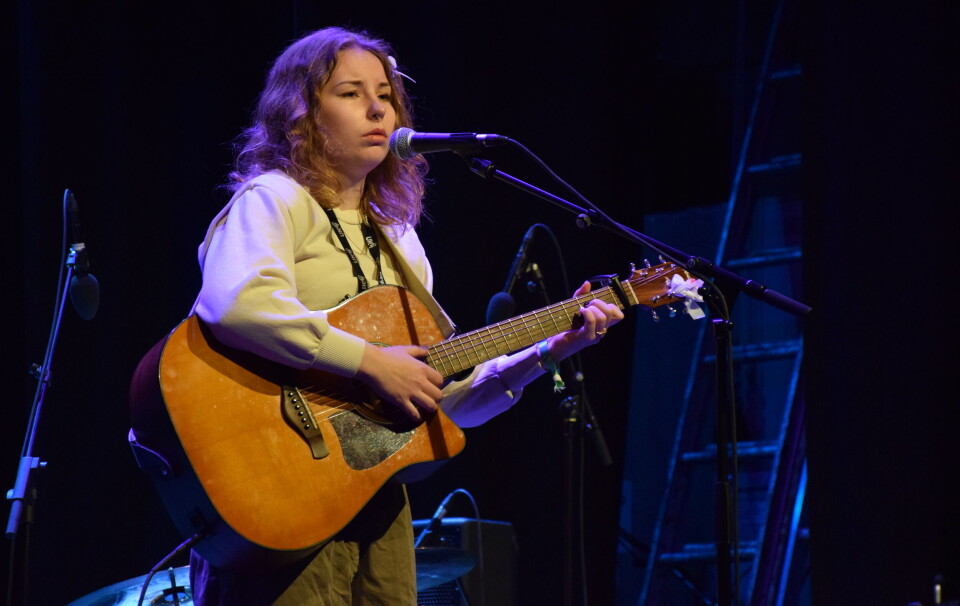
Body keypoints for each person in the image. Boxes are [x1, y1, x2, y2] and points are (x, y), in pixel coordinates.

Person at [187, 25, 623, 605]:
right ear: (300, 116)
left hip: (375, 503)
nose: (377, 109)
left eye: (385, 95)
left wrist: (547, 353)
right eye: (350, 93)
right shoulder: (275, 198)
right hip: (273, 492)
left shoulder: (398, 238)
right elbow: (238, 304)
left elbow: (448, 401)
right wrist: (371, 362)